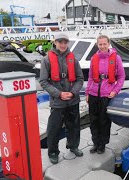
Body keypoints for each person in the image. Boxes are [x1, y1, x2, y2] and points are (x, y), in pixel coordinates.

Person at [39, 32, 84, 164]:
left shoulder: (73, 59)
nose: (63, 44)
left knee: (74, 125)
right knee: (54, 128)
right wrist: (59, 94)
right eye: (60, 42)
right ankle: (53, 152)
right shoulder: (46, 59)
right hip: (57, 101)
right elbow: (43, 82)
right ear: (55, 43)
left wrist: (73, 92)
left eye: (65, 42)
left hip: (73, 100)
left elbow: (80, 79)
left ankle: (73, 146)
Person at [85, 35, 125, 154]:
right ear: (97, 45)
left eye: (104, 44)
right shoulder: (94, 58)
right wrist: (87, 92)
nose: (102, 46)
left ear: (108, 44)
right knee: (93, 121)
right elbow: (91, 77)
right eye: (100, 44)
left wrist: (115, 90)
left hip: (106, 95)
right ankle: (95, 143)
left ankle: (102, 144)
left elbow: (122, 76)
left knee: (104, 121)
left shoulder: (116, 58)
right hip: (93, 94)